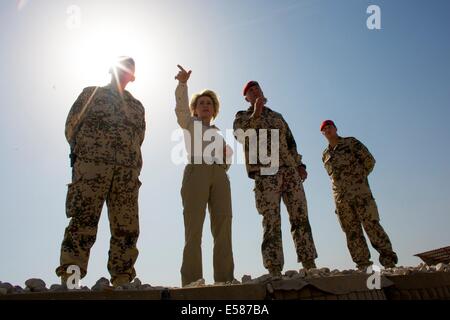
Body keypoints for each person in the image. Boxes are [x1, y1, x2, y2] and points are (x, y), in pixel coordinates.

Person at [56, 56, 146, 287]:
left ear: (132, 77)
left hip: (126, 174)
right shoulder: (91, 94)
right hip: (91, 169)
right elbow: (71, 127)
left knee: (126, 229)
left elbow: (139, 138)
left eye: (130, 69)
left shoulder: (137, 106)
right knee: (82, 221)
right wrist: (84, 155)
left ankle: (122, 280)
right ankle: (71, 280)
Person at [233, 81, 318, 277]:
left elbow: (291, 142)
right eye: (250, 91)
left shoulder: (277, 116)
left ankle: (309, 263)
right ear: (246, 98)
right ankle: (274, 269)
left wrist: (299, 165)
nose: (255, 92)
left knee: (300, 217)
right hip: (265, 173)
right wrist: (255, 113)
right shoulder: (242, 116)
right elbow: (240, 135)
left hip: (289, 171)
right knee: (271, 221)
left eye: (257, 89)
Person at [174, 65, 235, 287]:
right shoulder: (189, 123)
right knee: (194, 227)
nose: (206, 106)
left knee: (223, 224)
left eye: (209, 103)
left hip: (218, 176)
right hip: (196, 172)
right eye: (201, 103)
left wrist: (221, 168)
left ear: (214, 109)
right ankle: (191, 280)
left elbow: (228, 155)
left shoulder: (218, 134)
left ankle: (225, 279)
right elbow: (180, 108)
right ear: (195, 109)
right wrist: (182, 84)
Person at [320, 120, 398, 270]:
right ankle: (363, 265)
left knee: (372, 226)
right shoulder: (325, 155)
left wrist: (359, 178)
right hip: (341, 200)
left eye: (330, 127)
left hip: (360, 194)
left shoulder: (351, 143)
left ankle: (389, 261)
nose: (328, 130)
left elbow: (369, 161)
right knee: (351, 232)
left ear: (336, 128)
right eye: (324, 129)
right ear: (322, 134)